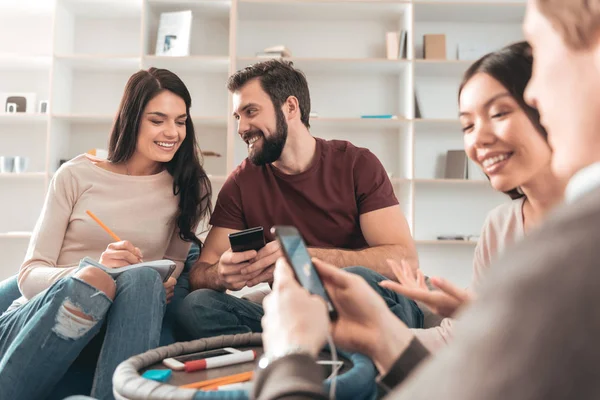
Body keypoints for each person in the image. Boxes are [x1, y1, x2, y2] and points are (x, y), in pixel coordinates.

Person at [253, 0, 600, 397]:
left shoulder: (581, 245)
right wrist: (383, 335)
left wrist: (290, 356)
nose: (538, 93)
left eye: (501, 112)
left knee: (361, 286)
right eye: (466, 124)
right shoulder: (509, 228)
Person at [0, 67, 212, 400]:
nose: (172, 132)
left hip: (120, 323)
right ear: (131, 119)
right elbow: (29, 275)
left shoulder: (187, 187)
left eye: (181, 121)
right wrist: (96, 270)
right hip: (40, 319)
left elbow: (173, 263)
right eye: (158, 120)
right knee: (100, 282)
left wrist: (167, 282)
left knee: (143, 280)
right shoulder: (75, 175)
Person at [178, 59, 422, 339]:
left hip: (370, 307)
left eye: (251, 112)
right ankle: (305, 347)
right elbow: (200, 274)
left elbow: (405, 260)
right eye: (238, 117)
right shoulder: (242, 183)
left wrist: (307, 258)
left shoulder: (357, 164)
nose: (241, 127)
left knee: (357, 276)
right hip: (296, 313)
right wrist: (220, 274)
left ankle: (307, 349)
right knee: (196, 307)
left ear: (290, 107)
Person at [383, 41, 566, 352]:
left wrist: (487, 316)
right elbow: (459, 339)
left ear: (547, 108)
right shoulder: (500, 226)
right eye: (467, 125)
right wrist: (370, 334)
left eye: (499, 113)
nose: (478, 139)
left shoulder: (588, 219)